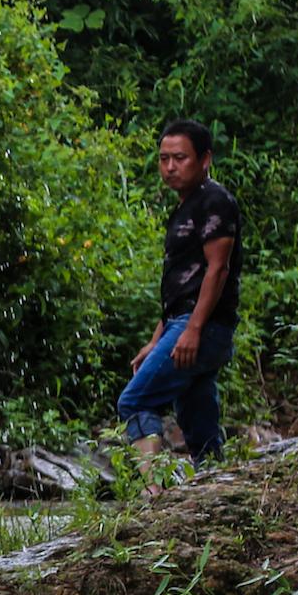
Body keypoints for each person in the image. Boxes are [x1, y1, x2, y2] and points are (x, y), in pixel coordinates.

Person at [119, 118, 242, 462]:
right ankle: (215, 483)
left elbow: (219, 269)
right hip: (185, 323)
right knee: (197, 416)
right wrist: (158, 339)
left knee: (135, 400)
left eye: (180, 158)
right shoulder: (186, 205)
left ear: (205, 160)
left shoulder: (214, 200)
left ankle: (152, 493)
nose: (170, 167)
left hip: (201, 325)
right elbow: (181, 285)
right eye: (163, 158)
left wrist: (193, 330)